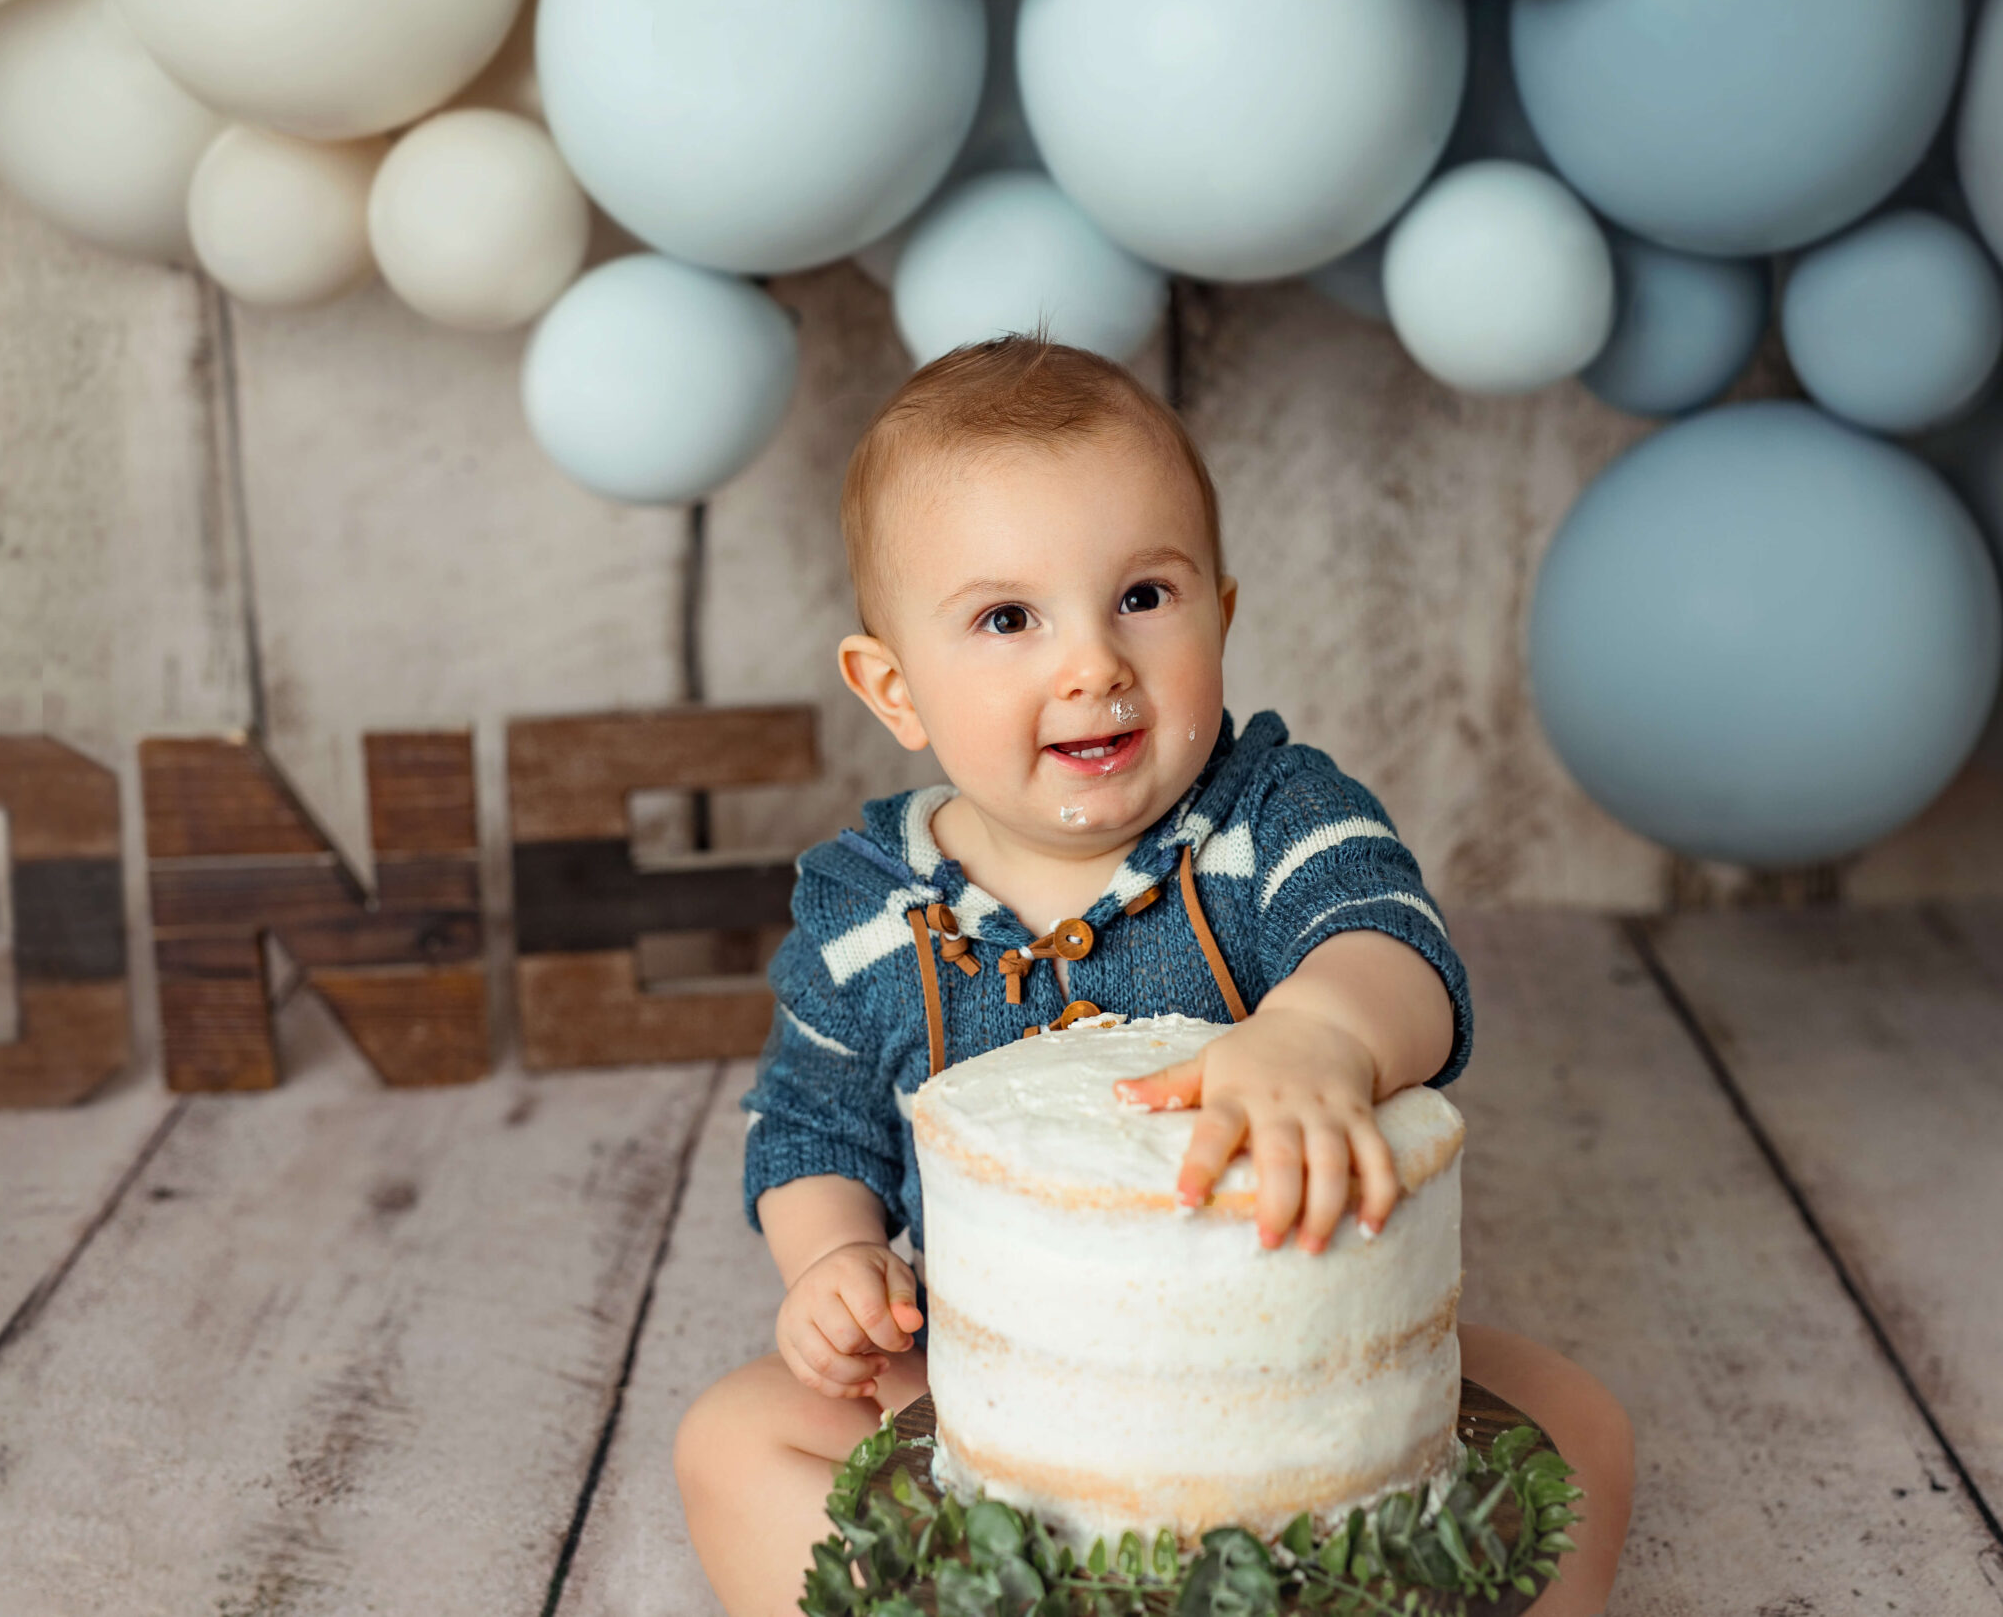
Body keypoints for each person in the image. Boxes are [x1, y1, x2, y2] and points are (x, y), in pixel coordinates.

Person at [674, 336, 1631, 1617]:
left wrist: (1324, 1032)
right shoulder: (864, 911)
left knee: (1579, 1427)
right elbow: (806, 1128)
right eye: (1008, 619)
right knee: (733, 1441)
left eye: (1141, 597)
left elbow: (1393, 943)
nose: (1092, 665)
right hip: (999, 1385)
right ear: (894, 688)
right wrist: (833, 1265)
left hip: (1290, 1379)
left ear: (1221, 616)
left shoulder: (1271, 817)